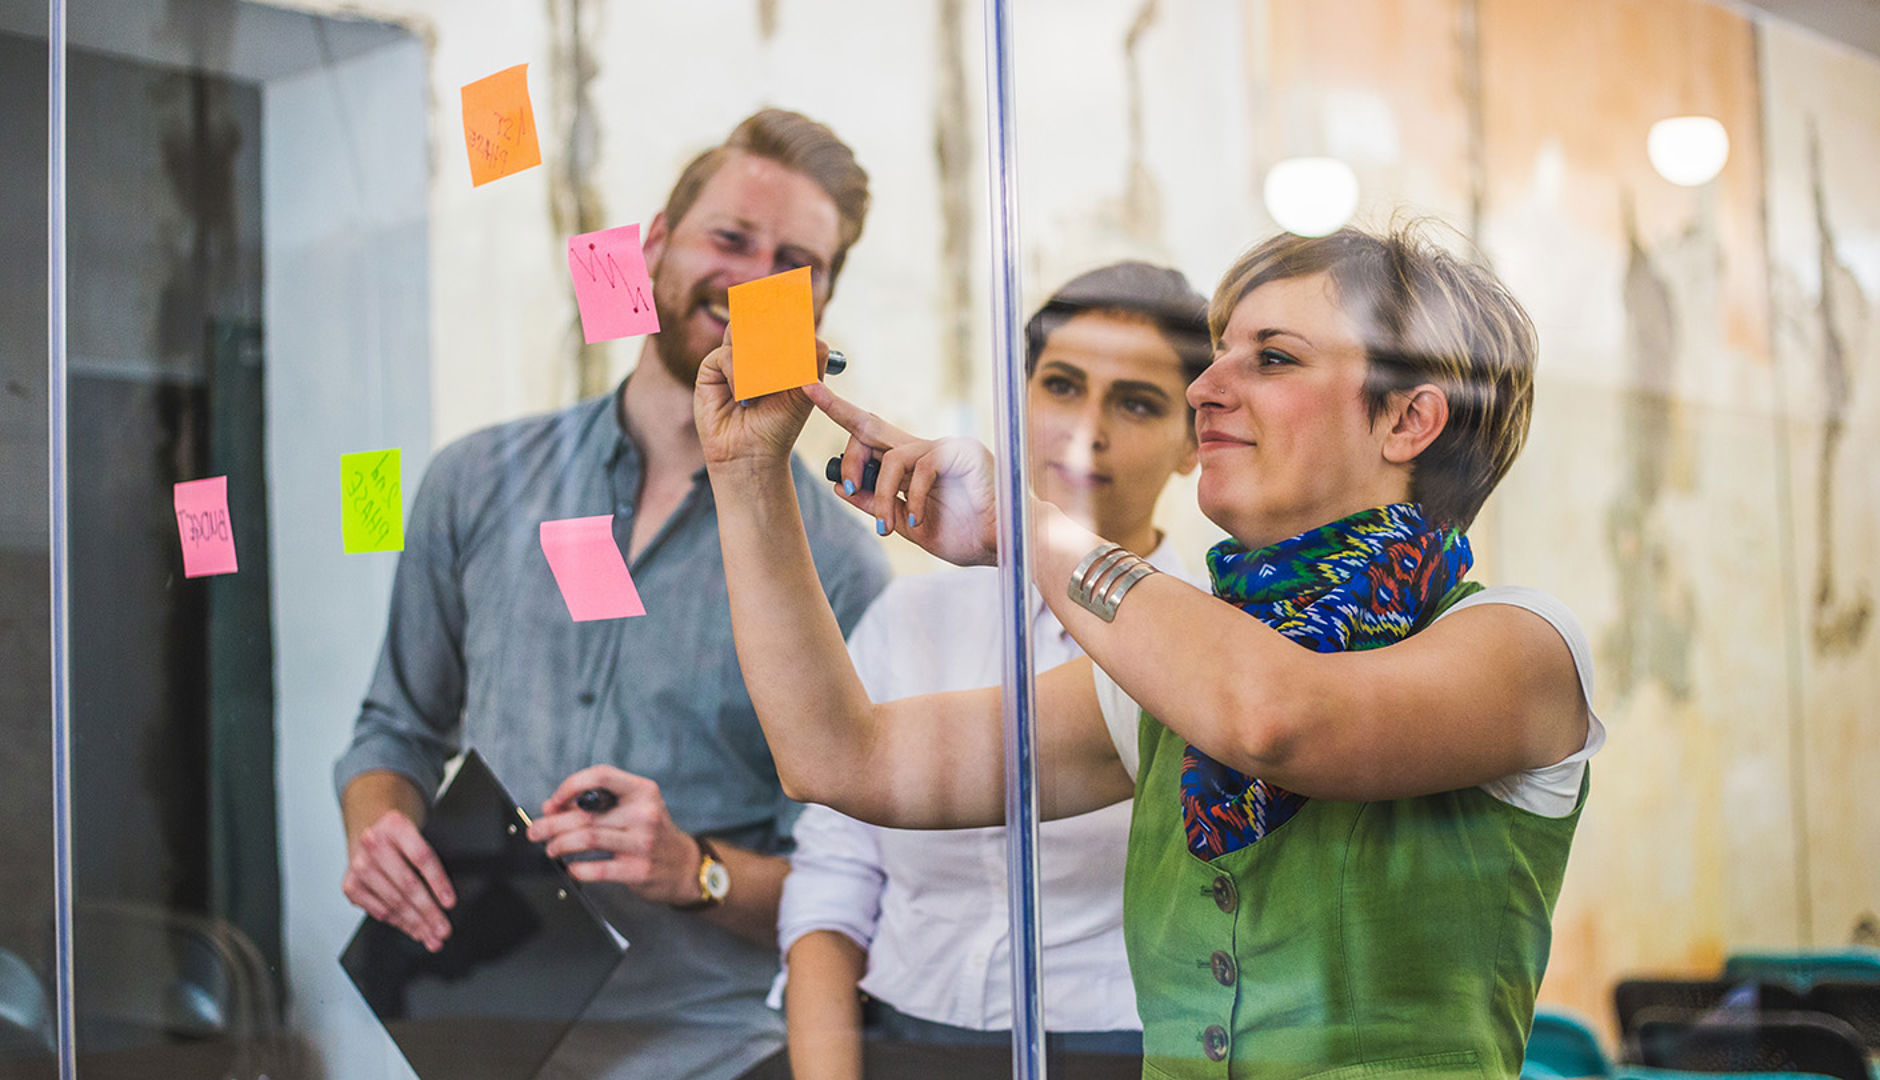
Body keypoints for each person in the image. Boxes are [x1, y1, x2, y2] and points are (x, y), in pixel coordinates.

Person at [693, 224, 1604, 1078]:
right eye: (1217, 357)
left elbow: (1276, 718)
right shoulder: (1167, 675)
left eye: (1273, 358)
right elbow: (839, 758)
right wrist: (748, 478)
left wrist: (1027, 526)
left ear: (1408, 421)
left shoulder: (1522, 645)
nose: (1205, 390)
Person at [334, 109, 891, 1080]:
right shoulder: (473, 480)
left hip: (714, 1054)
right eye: (729, 237)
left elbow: (854, 886)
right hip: (474, 1038)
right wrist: (378, 826)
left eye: (793, 262)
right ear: (654, 245)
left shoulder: (842, 566)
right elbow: (394, 728)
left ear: (818, 305)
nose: (754, 274)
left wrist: (698, 869)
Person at [777, 263, 1209, 1079]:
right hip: (898, 1041)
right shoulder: (910, 621)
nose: (1088, 429)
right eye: (1062, 386)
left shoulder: (1212, 641)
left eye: (1138, 402)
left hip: (1129, 1053)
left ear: (1194, 443)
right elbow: (832, 884)